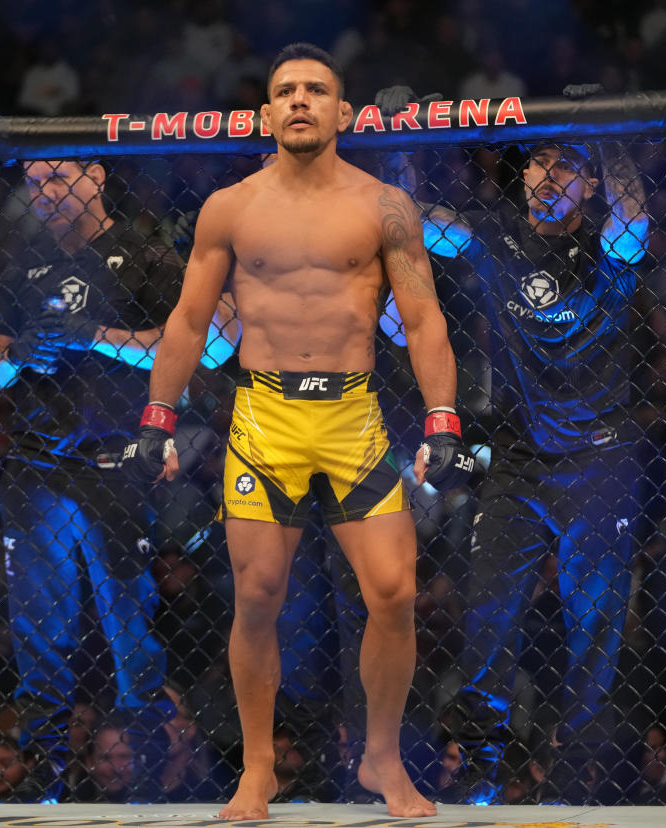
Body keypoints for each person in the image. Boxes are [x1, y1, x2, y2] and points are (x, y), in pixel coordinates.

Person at [124, 43, 472, 819]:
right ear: (266, 112)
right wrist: (158, 412)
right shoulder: (232, 207)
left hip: (351, 413)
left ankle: (381, 757)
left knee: (393, 591)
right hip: (264, 416)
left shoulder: (384, 205)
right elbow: (186, 320)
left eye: (317, 89)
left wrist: (443, 417)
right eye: (286, 91)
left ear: (343, 112)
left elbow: (422, 321)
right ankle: (258, 769)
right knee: (257, 593)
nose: (301, 100)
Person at [376, 86, 650, 803]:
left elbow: (635, 221)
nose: (548, 177)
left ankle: (582, 764)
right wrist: (408, 145)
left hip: (602, 456)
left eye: (568, 166)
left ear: (590, 181)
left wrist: (610, 130)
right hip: (523, 459)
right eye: (538, 163)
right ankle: (483, 763)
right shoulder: (497, 235)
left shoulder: (609, 245)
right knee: (488, 610)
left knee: (594, 623)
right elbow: (414, 227)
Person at [0, 158, 239, 800]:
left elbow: (204, 342)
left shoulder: (143, 252)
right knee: (39, 633)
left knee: (132, 636)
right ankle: (42, 780)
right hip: (38, 463)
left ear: (96, 178)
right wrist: (16, 354)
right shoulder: (22, 266)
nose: (45, 193)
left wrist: (96, 336)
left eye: (59, 178)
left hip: (118, 460)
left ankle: (150, 780)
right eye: (34, 184)